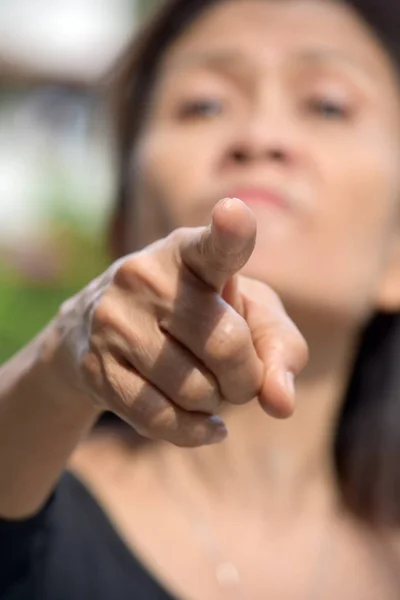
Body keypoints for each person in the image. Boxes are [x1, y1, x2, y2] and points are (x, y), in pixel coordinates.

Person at [2, 0, 400, 597]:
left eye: (327, 105)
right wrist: (60, 361)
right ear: (124, 229)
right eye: (203, 104)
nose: (260, 137)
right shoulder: (32, 507)